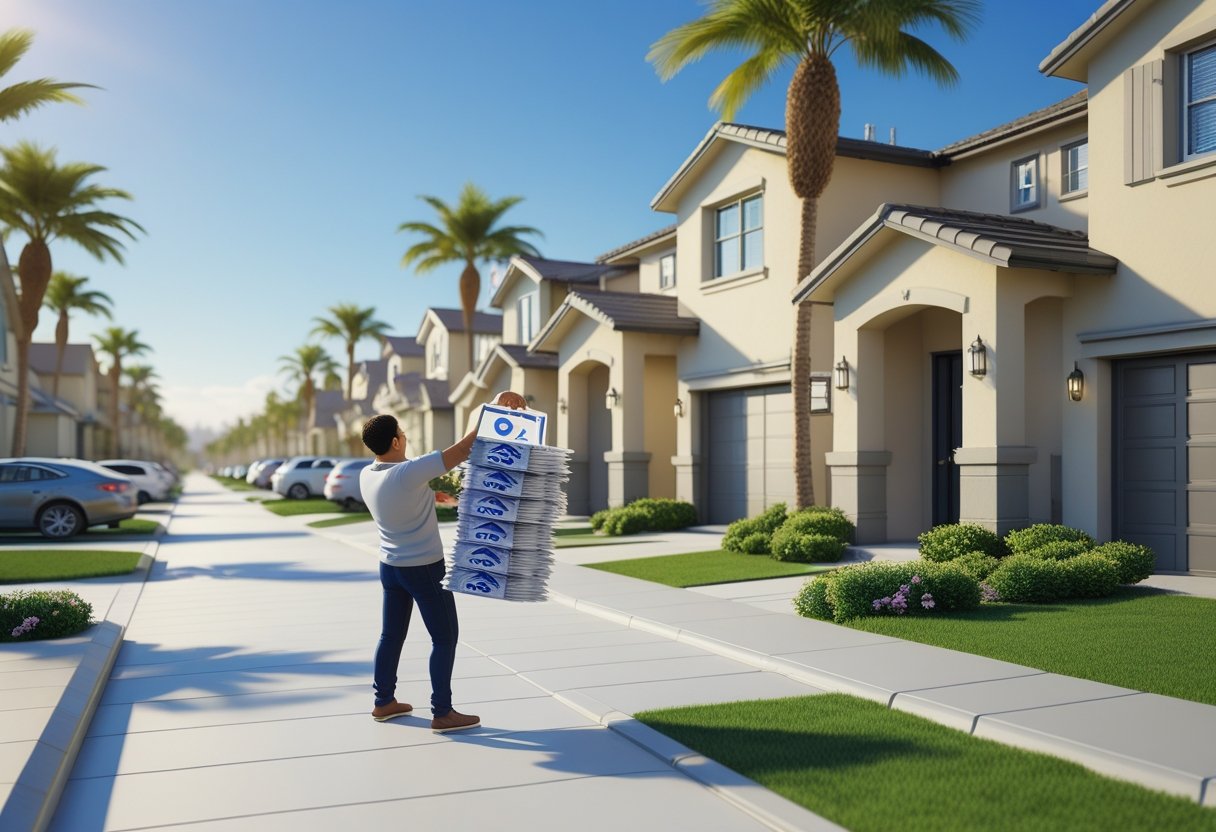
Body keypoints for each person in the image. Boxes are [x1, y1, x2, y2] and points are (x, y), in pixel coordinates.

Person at [360, 390, 527, 732]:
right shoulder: (408, 472)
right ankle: (443, 712)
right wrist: (496, 409)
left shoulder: (369, 475)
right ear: (395, 442)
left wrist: (434, 495)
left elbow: (407, 496)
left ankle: (383, 701)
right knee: (445, 638)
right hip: (423, 569)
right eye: (402, 432)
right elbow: (464, 449)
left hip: (390, 568)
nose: (405, 436)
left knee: (391, 635)